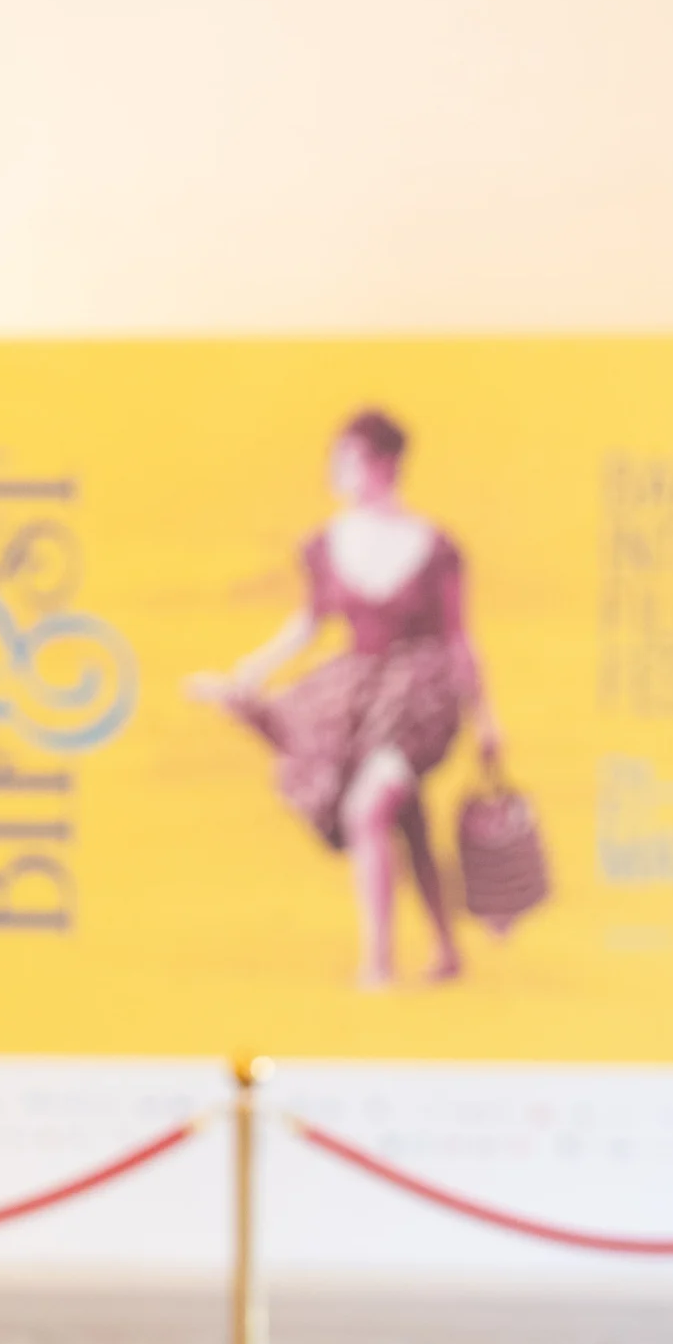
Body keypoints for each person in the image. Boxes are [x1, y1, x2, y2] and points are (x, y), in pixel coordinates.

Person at [190, 409, 501, 988]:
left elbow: (460, 640)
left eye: (347, 458)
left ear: (384, 464)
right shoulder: (324, 543)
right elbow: (307, 625)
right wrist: (248, 674)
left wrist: (486, 721)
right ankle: (446, 952)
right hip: (358, 695)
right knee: (406, 818)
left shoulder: (437, 547)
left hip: (422, 698)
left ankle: (376, 967)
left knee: (367, 810)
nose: (335, 470)